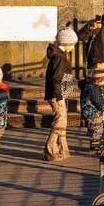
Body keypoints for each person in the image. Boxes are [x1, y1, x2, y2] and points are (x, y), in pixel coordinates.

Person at [43, 25, 78, 162]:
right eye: (73, 44)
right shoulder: (60, 58)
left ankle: (62, 149)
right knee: (60, 121)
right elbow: (57, 78)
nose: (74, 47)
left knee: (62, 121)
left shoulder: (59, 56)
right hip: (57, 95)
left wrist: (67, 92)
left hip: (60, 93)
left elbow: (64, 77)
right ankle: (50, 149)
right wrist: (60, 96)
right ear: (67, 43)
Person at [80, 62, 104, 153]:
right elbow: (99, 102)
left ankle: (97, 145)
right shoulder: (94, 89)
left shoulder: (89, 86)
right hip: (93, 112)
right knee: (97, 130)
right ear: (100, 79)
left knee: (96, 129)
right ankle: (94, 148)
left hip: (89, 112)